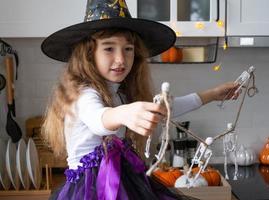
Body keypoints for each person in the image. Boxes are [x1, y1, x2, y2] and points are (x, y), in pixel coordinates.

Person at [41, 0, 239, 199]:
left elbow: (165, 109)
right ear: (88, 54)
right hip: (91, 191)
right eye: (109, 49)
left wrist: (212, 94)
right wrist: (125, 113)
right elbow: (99, 119)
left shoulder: (119, 94)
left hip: (124, 182)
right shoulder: (83, 93)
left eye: (128, 49)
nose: (121, 59)